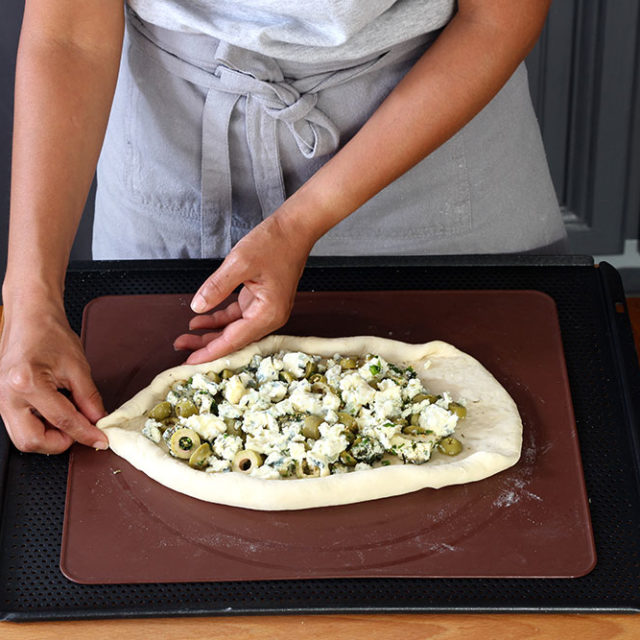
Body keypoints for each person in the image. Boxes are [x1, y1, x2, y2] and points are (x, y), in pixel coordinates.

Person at [0, 0, 565, 455]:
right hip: (174, 124)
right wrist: (31, 302)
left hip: (428, 120)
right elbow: (67, 32)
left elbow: (498, 17)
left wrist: (301, 224)